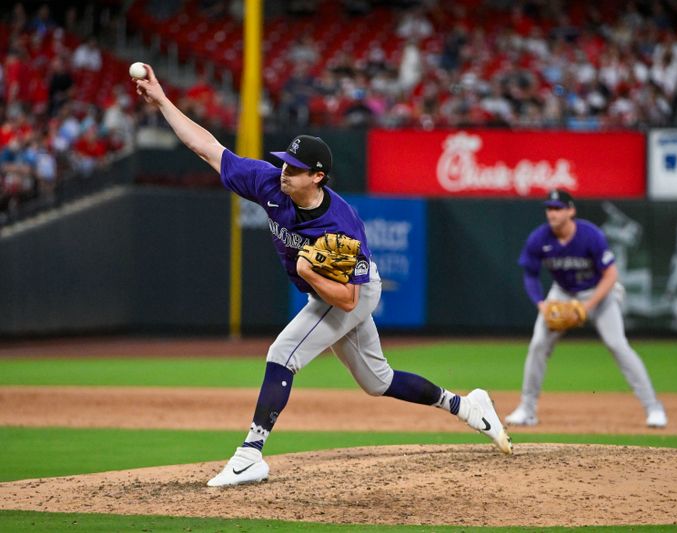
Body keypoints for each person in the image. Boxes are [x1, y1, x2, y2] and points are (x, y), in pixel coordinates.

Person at [132, 64, 512, 487]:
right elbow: (209, 148)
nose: (283, 172)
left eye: (294, 169)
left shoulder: (340, 224)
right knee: (377, 381)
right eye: (284, 164)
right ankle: (465, 405)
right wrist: (163, 101)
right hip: (327, 288)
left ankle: (250, 453)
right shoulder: (270, 185)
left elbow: (348, 300)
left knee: (283, 353)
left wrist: (308, 271)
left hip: (354, 291)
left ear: (317, 176)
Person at [505, 189, 667, 429]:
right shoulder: (539, 238)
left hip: (597, 294)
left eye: (558, 208)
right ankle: (527, 409)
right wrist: (541, 303)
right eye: (549, 208)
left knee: (617, 345)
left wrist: (587, 306)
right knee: (538, 343)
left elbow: (611, 275)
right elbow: (530, 275)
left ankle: (653, 408)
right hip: (562, 293)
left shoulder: (590, 235)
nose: (552, 213)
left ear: (571, 210)